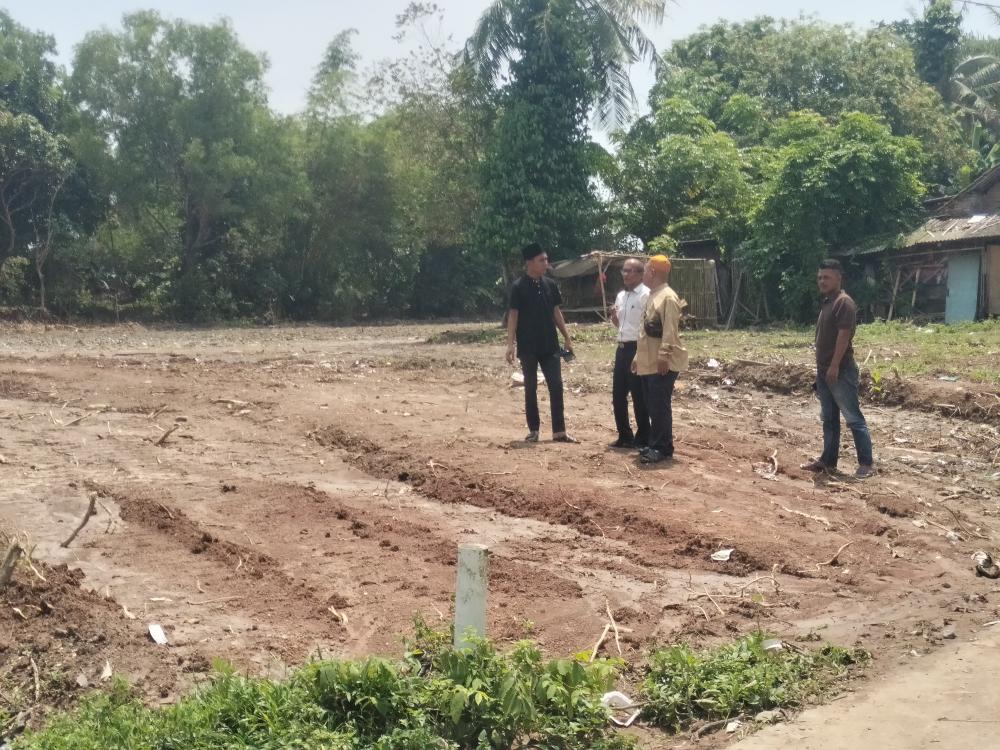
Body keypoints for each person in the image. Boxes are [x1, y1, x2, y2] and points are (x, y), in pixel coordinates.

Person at [800, 259, 874, 479]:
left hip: (840, 370)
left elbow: (844, 336)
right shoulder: (828, 302)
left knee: (853, 418)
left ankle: (866, 464)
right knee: (829, 419)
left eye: (827, 277)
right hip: (825, 370)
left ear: (838, 278)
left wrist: (833, 366)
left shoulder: (844, 303)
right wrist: (823, 370)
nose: (822, 281)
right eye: (820, 277)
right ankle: (828, 461)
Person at [505, 242, 576, 443]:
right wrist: (510, 344)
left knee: (556, 385)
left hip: (550, 344)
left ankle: (559, 431)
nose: (546, 263)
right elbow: (513, 316)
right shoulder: (518, 287)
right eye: (541, 260)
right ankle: (534, 430)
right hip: (528, 345)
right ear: (529, 263)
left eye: (546, 259)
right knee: (531, 387)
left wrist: (567, 337)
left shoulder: (550, 285)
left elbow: (556, 312)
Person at [632, 254, 688, 464]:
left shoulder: (668, 297)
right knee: (651, 404)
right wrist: (637, 356)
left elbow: (670, 332)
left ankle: (661, 448)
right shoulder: (653, 295)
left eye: (645, 270)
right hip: (649, 361)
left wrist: (664, 356)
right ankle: (656, 442)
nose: (643, 274)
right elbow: (644, 331)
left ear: (653, 272)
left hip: (661, 363)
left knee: (659, 406)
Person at [609, 257, 650, 448]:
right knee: (618, 395)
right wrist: (614, 317)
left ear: (640, 274)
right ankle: (624, 435)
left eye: (629, 271)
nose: (625, 274)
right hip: (622, 347)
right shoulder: (621, 296)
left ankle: (644, 436)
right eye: (623, 271)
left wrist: (640, 352)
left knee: (638, 395)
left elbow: (646, 326)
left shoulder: (645, 295)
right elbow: (620, 325)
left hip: (636, 347)